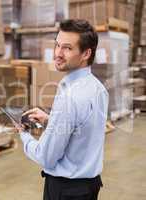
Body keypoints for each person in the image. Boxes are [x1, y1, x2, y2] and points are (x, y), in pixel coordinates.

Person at [16, 19, 109, 200]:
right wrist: (51, 120)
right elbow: (83, 131)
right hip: (90, 186)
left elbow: (46, 157)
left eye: (67, 48)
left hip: (66, 191)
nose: (58, 53)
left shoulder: (69, 96)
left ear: (86, 53)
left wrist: (24, 135)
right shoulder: (98, 88)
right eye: (57, 45)